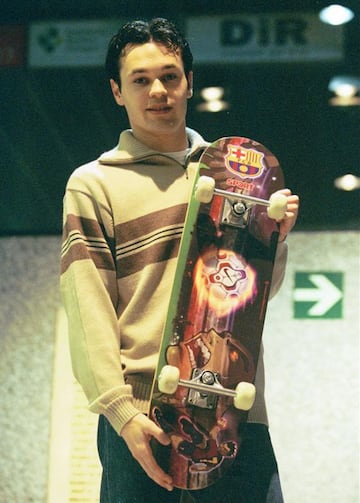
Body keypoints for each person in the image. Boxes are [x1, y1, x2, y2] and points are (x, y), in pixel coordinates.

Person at [60, 17, 299, 503]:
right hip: (143, 417)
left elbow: (251, 298)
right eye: (140, 80)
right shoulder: (93, 184)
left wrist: (275, 240)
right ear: (117, 91)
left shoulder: (236, 176)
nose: (158, 91)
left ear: (189, 82)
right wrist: (122, 414)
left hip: (235, 411)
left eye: (170, 76)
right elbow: (89, 309)